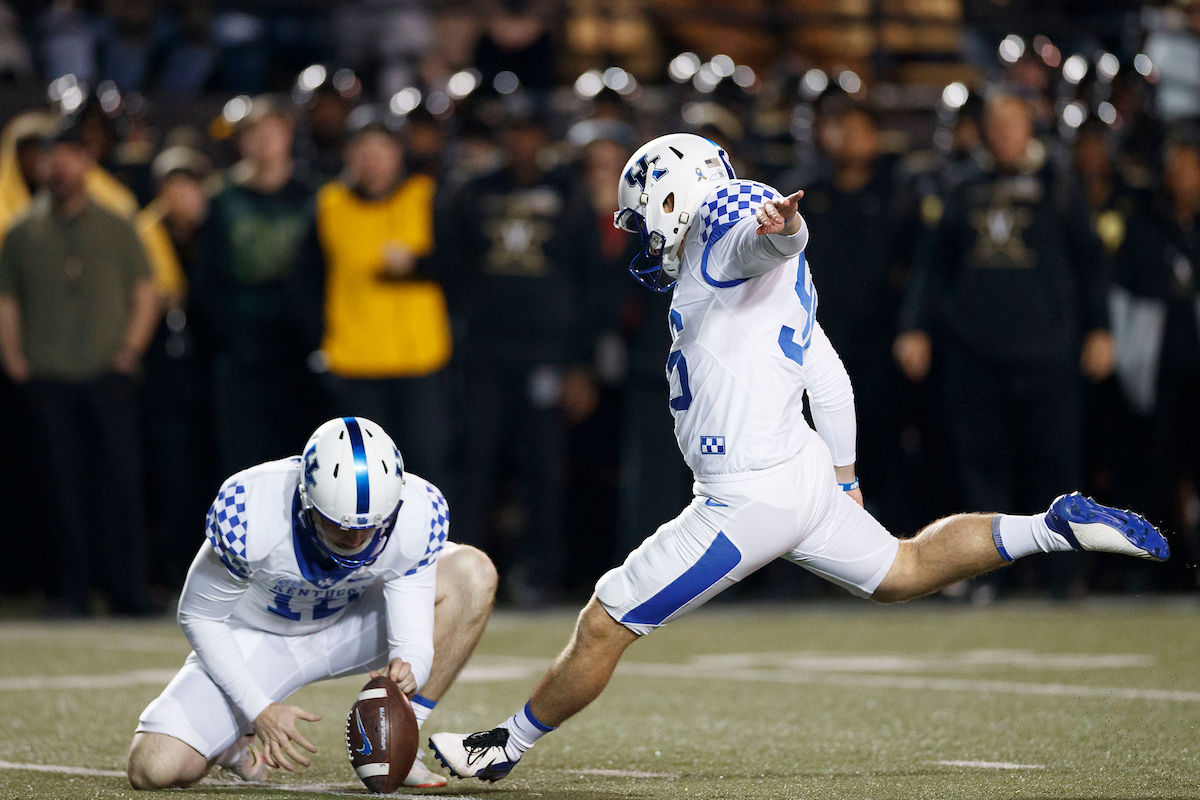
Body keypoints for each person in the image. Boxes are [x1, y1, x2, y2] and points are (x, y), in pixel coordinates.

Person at [427, 133, 1170, 782]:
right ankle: (1053, 526)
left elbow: (762, 236)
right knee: (902, 570)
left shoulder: (728, 241)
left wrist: (778, 227)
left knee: (604, 619)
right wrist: (843, 476)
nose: (640, 238)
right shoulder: (760, 280)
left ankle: (505, 744)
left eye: (642, 219)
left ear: (672, 201)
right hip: (802, 470)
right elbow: (828, 373)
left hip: (744, 498)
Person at [125, 416, 498, 790]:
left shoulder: (417, 511)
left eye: (369, 526)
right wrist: (260, 709)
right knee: (153, 768)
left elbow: (413, 633)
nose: (355, 540)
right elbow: (198, 615)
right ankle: (234, 747)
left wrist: (411, 666)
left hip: (352, 625)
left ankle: (404, 740)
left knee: (472, 573)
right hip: (258, 638)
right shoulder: (252, 511)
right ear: (306, 499)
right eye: (341, 525)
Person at [893, 91, 1115, 596]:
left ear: (1030, 126)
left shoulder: (1060, 184)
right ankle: (988, 578)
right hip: (976, 353)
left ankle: (1061, 576)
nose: (1006, 134)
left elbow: (1090, 265)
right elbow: (932, 268)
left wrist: (1100, 330)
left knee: (1054, 467)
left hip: (1049, 353)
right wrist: (915, 328)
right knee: (981, 473)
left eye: (1015, 122)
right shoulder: (961, 186)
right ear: (985, 130)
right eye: (997, 124)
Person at [438, 101, 600, 602]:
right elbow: (452, 270)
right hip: (485, 354)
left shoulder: (569, 195)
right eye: (512, 131)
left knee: (544, 470)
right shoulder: (472, 192)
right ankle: (465, 576)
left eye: (530, 131)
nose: (521, 142)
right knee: (478, 466)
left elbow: (589, 281)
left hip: (547, 355)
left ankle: (543, 572)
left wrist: (580, 363)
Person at [0, 122, 160, 616]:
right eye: (55, 156)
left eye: (73, 155)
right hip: (47, 376)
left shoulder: (117, 224)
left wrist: (130, 350)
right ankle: (68, 592)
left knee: (120, 485)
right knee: (56, 489)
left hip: (106, 374)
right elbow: (7, 301)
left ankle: (127, 589)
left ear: (88, 163)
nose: (63, 165)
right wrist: (15, 360)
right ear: (43, 164)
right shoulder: (22, 231)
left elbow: (146, 292)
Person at [294, 114, 452, 491]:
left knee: (425, 470)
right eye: (362, 150)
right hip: (354, 362)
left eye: (382, 150)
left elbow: (461, 268)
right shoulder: (328, 204)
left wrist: (418, 264)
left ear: (399, 153)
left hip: (419, 361)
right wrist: (318, 343)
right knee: (359, 480)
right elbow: (304, 281)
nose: (372, 160)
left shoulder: (428, 198)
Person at [191, 97, 323, 477]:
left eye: (272, 132)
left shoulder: (314, 195)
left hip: (298, 346)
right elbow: (206, 277)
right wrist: (226, 336)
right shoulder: (221, 199)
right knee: (243, 457)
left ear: (288, 137)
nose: (263, 142)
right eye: (254, 133)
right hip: (239, 348)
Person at [1111, 131, 1200, 586]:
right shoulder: (1144, 227)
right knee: (1154, 477)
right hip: (1158, 380)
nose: (1183, 176)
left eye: (1191, 165)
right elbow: (1123, 301)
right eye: (1175, 166)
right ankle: (1149, 570)